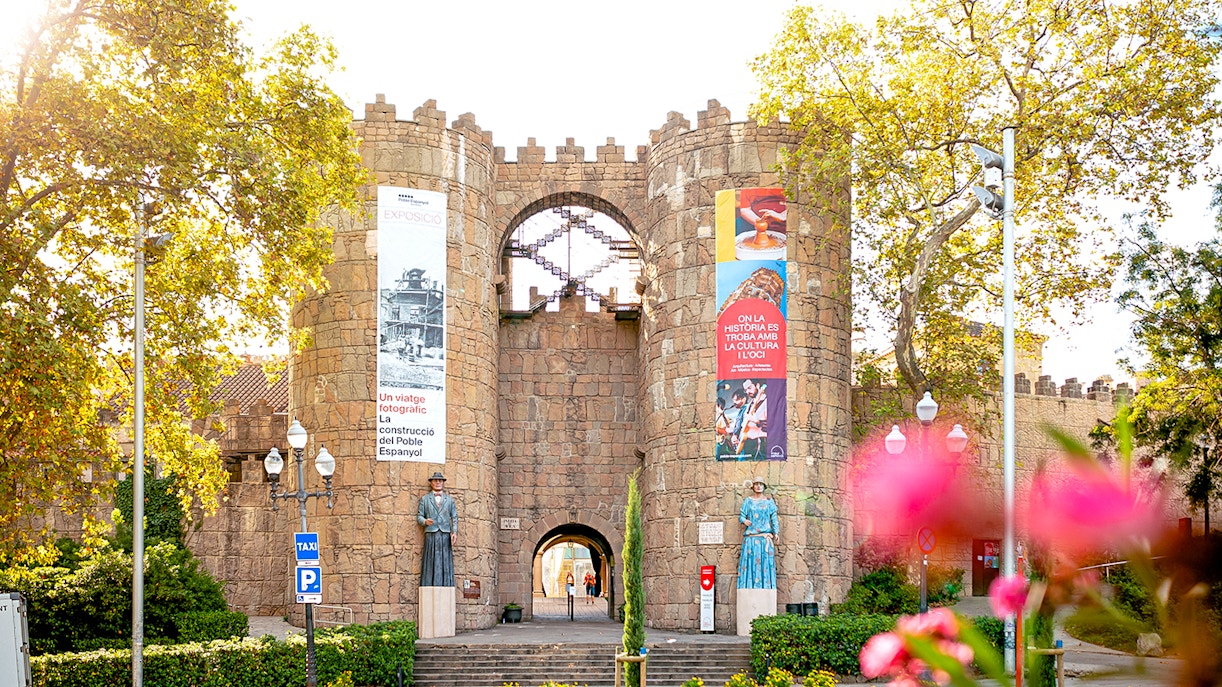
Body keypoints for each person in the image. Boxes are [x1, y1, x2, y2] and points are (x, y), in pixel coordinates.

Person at [417, 471, 457, 587]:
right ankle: (428, 584)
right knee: (430, 561)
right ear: (431, 483)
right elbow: (419, 516)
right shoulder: (425, 499)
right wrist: (425, 521)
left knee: (445, 561)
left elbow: (454, 517)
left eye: (440, 480)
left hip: (445, 535)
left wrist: (454, 532)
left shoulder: (449, 500)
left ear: (443, 483)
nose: (438, 482)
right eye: (435, 480)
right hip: (431, 534)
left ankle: (446, 585)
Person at [737, 477, 779, 590]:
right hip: (751, 539)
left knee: (766, 564)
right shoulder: (748, 501)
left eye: (761, 484)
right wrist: (744, 520)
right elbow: (741, 516)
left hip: (764, 539)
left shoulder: (769, 501)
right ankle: (748, 592)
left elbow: (774, 517)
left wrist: (776, 532)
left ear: (764, 487)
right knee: (750, 565)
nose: (759, 486)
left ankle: (766, 592)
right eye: (756, 484)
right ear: (753, 487)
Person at [738, 380, 768, 460]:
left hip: (759, 446)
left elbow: (774, 425)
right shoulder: (750, 404)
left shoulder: (767, 401)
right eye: (745, 390)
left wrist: (757, 421)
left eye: (750, 388)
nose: (748, 392)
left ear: (757, 385)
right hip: (746, 445)